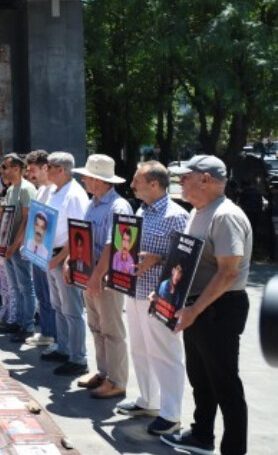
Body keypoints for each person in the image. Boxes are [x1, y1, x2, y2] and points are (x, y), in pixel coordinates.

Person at [163, 155, 252, 455]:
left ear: (205, 179)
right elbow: (187, 263)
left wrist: (194, 310)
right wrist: (167, 295)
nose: (180, 182)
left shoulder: (225, 216)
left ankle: (234, 449)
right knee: (201, 377)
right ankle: (202, 435)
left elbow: (228, 273)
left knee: (224, 382)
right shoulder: (198, 211)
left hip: (219, 308)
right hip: (198, 306)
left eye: (185, 176)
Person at [116, 161, 189, 437]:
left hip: (160, 296)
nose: (132, 185)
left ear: (155, 184)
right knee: (140, 349)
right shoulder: (141, 210)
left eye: (137, 180)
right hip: (135, 291)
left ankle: (171, 415)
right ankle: (148, 400)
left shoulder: (177, 216)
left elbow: (186, 259)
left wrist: (158, 259)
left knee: (165, 354)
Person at [75, 154, 131, 399]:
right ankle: (103, 372)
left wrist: (97, 276)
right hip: (91, 273)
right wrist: (71, 262)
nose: (84, 180)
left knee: (111, 330)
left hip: (106, 277)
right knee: (96, 326)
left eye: (87, 176)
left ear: (99, 180)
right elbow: (81, 235)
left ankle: (117, 381)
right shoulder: (93, 203)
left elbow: (114, 245)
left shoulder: (119, 206)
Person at [42, 152, 90, 376]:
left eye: (49, 167)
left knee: (72, 310)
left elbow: (78, 233)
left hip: (65, 258)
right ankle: (64, 348)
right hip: (52, 256)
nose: (46, 170)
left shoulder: (74, 195)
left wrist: (60, 258)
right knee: (58, 306)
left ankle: (78, 358)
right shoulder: (54, 191)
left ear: (60, 170)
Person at [0, 153, 37, 342]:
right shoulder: (10, 190)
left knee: (25, 285)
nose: (3, 171)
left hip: (20, 246)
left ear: (16, 169)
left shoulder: (26, 189)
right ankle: (19, 320)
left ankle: (28, 324)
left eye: (5, 167)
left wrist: (14, 245)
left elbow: (28, 219)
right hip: (9, 244)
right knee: (15, 286)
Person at [25, 149, 57, 348]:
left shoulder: (54, 190)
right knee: (42, 294)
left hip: (49, 252)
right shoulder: (41, 191)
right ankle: (46, 331)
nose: (30, 175)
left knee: (51, 296)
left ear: (45, 168)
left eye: (33, 170)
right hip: (37, 250)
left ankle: (53, 334)